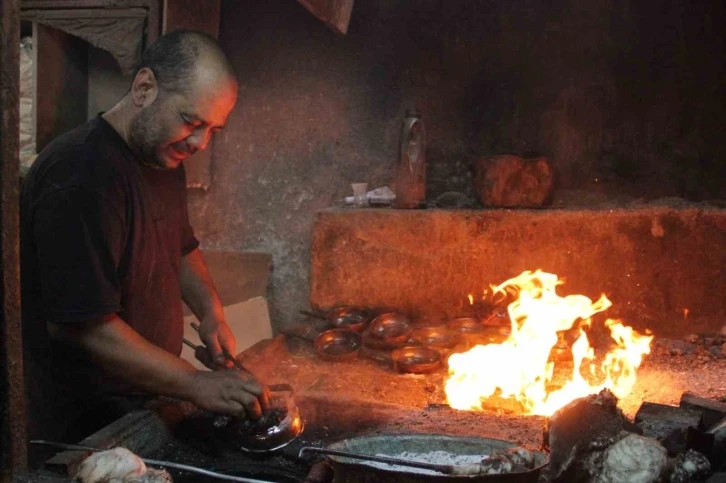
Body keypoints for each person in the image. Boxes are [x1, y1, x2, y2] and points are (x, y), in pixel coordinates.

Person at [20, 30, 269, 460]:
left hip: (143, 400)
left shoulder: (161, 155)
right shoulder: (81, 175)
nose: (199, 143)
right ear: (144, 87)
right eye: (192, 122)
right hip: (84, 425)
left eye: (212, 129)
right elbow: (85, 328)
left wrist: (210, 312)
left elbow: (182, 247)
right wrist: (194, 383)